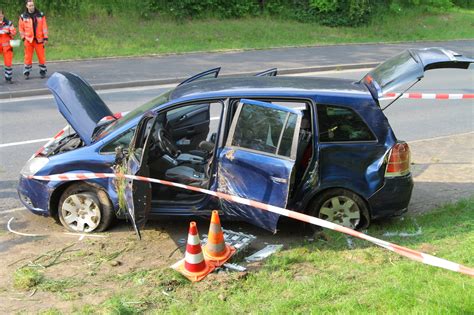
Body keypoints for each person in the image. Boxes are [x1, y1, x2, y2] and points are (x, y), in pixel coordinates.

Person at [19, 0, 48, 79]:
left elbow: (44, 27)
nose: (32, 7)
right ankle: (26, 72)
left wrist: (45, 37)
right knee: (28, 57)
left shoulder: (40, 15)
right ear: (27, 6)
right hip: (28, 40)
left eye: (32, 5)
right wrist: (23, 38)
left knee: (41, 56)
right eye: (30, 5)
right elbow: (21, 28)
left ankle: (43, 71)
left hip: (39, 40)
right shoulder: (23, 16)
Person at [0, 8, 17, 83]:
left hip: (7, 47)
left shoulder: (9, 23)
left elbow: (14, 32)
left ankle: (8, 78)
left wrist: (8, 32)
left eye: (0, 14)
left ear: (3, 14)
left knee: (8, 63)